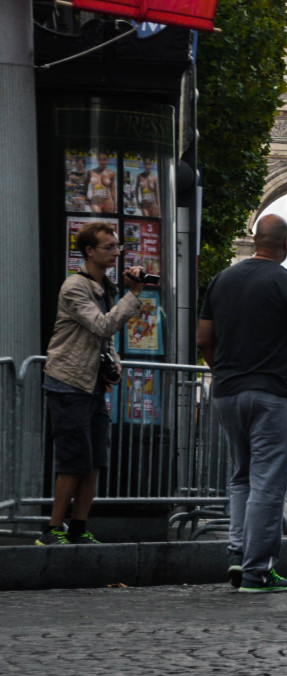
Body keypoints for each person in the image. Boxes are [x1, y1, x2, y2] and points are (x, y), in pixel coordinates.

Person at [197, 214, 287, 593]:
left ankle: (238, 557)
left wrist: (225, 371)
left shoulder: (221, 280)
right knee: (268, 483)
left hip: (227, 392)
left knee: (241, 476)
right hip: (270, 395)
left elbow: (203, 339)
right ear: (286, 244)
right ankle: (258, 571)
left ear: (254, 240)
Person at [39, 223, 147, 545]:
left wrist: (114, 361)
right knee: (74, 460)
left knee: (96, 459)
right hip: (69, 381)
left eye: (117, 247)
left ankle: (78, 528)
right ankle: (53, 529)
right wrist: (135, 295)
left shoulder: (106, 287)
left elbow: (105, 339)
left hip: (93, 384)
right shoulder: (75, 286)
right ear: (89, 251)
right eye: (109, 247)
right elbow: (101, 325)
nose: (116, 252)